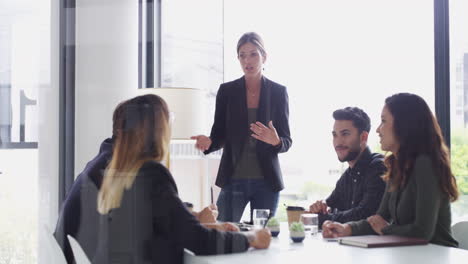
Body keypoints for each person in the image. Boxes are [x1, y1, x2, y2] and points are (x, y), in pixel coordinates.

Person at [54, 95, 268, 264]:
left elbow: (149, 209)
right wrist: (251, 238)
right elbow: (200, 242)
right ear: (156, 131)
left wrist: (189, 218)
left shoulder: (113, 169)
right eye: (169, 121)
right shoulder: (149, 173)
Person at [322, 93, 459, 247]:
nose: (378, 130)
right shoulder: (395, 166)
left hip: (438, 255)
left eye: (383, 121)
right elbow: (378, 219)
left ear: (404, 125)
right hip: (409, 254)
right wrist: (346, 228)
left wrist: (386, 229)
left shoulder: (425, 164)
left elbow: (422, 232)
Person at [191, 32, 292, 223]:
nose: (248, 60)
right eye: (242, 55)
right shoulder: (227, 91)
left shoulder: (278, 92)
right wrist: (209, 143)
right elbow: (219, 135)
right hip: (233, 178)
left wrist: (276, 141)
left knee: (262, 237)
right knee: (221, 233)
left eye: (253, 54)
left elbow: (287, 141)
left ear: (264, 56)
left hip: (267, 182)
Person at [308, 107, 386, 227]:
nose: (338, 142)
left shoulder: (378, 167)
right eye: (335, 135)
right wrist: (320, 206)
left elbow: (364, 214)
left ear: (363, 137)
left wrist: (322, 218)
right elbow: (329, 203)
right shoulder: (348, 175)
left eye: (345, 134)